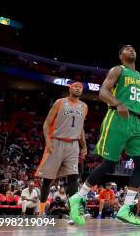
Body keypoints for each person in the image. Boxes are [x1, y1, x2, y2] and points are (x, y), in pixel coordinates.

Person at [68, 45, 140, 226]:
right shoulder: (118, 70)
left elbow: (139, 100)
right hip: (117, 118)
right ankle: (77, 198)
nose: (131, 49)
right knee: (109, 164)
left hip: (135, 121)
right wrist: (117, 103)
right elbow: (103, 92)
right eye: (126, 49)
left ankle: (125, 209)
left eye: (133, 48)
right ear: (120, 56)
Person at [36, 82, 87, 215]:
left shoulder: (84, 106)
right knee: (48, 178)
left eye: (80, 87)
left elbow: (81, 128)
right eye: (75, 86)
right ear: (70, 89)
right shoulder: (60, 102)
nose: (77, 89)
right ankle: (41, 211)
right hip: (56, 142)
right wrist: (47, 141)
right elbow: (47, 123)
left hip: (73, 145)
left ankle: (74, 212)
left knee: (73, 177)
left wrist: (84, 146)